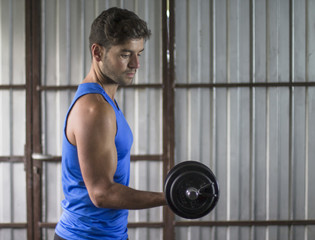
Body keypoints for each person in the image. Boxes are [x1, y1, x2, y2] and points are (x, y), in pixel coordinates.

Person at [54, 7, 167, 240]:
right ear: (97, 52)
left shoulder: (105, 101)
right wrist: (167, 197)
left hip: (107, 234)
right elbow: (101, 194)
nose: (136, 64)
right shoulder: (94, 108)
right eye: (125, 54)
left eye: (139, 53)